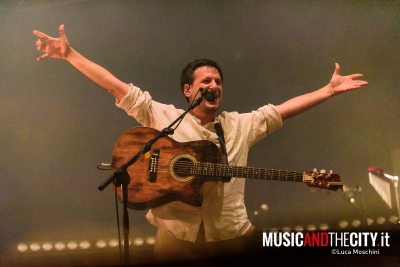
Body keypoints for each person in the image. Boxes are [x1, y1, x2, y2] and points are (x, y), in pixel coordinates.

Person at [33, 25, 368, 262]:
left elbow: (283, 110)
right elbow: (117, 88)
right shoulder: (164, 117)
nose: (214, 85)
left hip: (233, 237)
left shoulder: (240, 125)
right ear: (188, 91)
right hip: (175, 239)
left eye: (218, 81)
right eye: (206, 80)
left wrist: (328, 90)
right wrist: (70, 54)